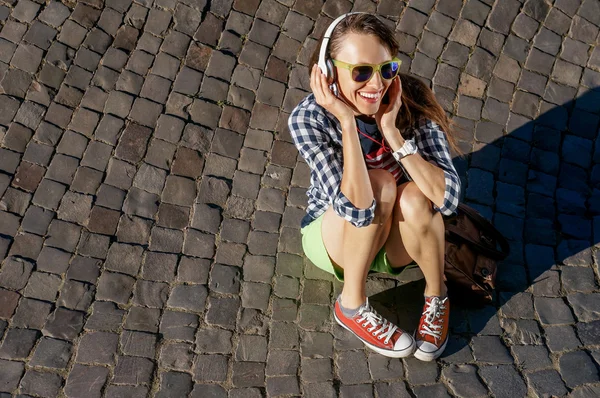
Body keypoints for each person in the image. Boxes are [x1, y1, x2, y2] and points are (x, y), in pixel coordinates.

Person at [288, 12, 462, 361]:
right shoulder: (308, 119)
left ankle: (436, 295)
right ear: (328, 71)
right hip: (337, 238)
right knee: (380, 182)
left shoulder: (408, 100)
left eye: (386, 69)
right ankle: (351, 305)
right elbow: (354, 208)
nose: (377, 84)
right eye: (361, 71)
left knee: (416, 196)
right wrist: (347, 122)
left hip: (397, 238)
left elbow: (448, 198)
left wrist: (394, 134)